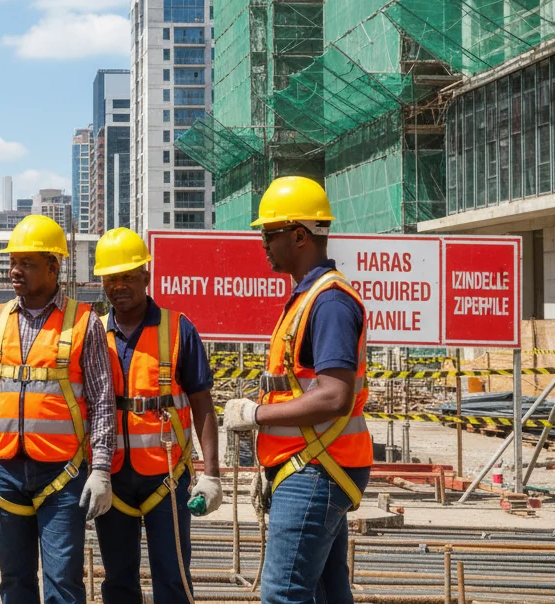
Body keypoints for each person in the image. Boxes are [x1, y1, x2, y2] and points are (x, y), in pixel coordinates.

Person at [222, 176, 372, 604]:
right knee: (326, 592)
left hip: (316, 468)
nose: (263, 245)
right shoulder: (310, 298)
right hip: (313, 463)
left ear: (300, 236)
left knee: (283, 594)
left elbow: (334, 395)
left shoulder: (329, 303)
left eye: (269, 234)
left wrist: (255, 415)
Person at [0, 214, 116, 604]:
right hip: (5, 470)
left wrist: (101, 469)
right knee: (14, 580)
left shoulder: (83, 322)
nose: (15, 270)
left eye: (27, 263)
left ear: (53, 267)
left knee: (62, 581)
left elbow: (102, 401)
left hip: (62, 474)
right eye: (13, 261)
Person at [91, 227, 221, 603]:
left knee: (172, 576)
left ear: (146, 276)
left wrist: (211, 475)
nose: (119, 286)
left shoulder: (178, 329)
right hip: (112, 476)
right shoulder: (95, 333)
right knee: (118, 580)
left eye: (128, 277)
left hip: (167, 477)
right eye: (111, 279)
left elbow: (202, 403)